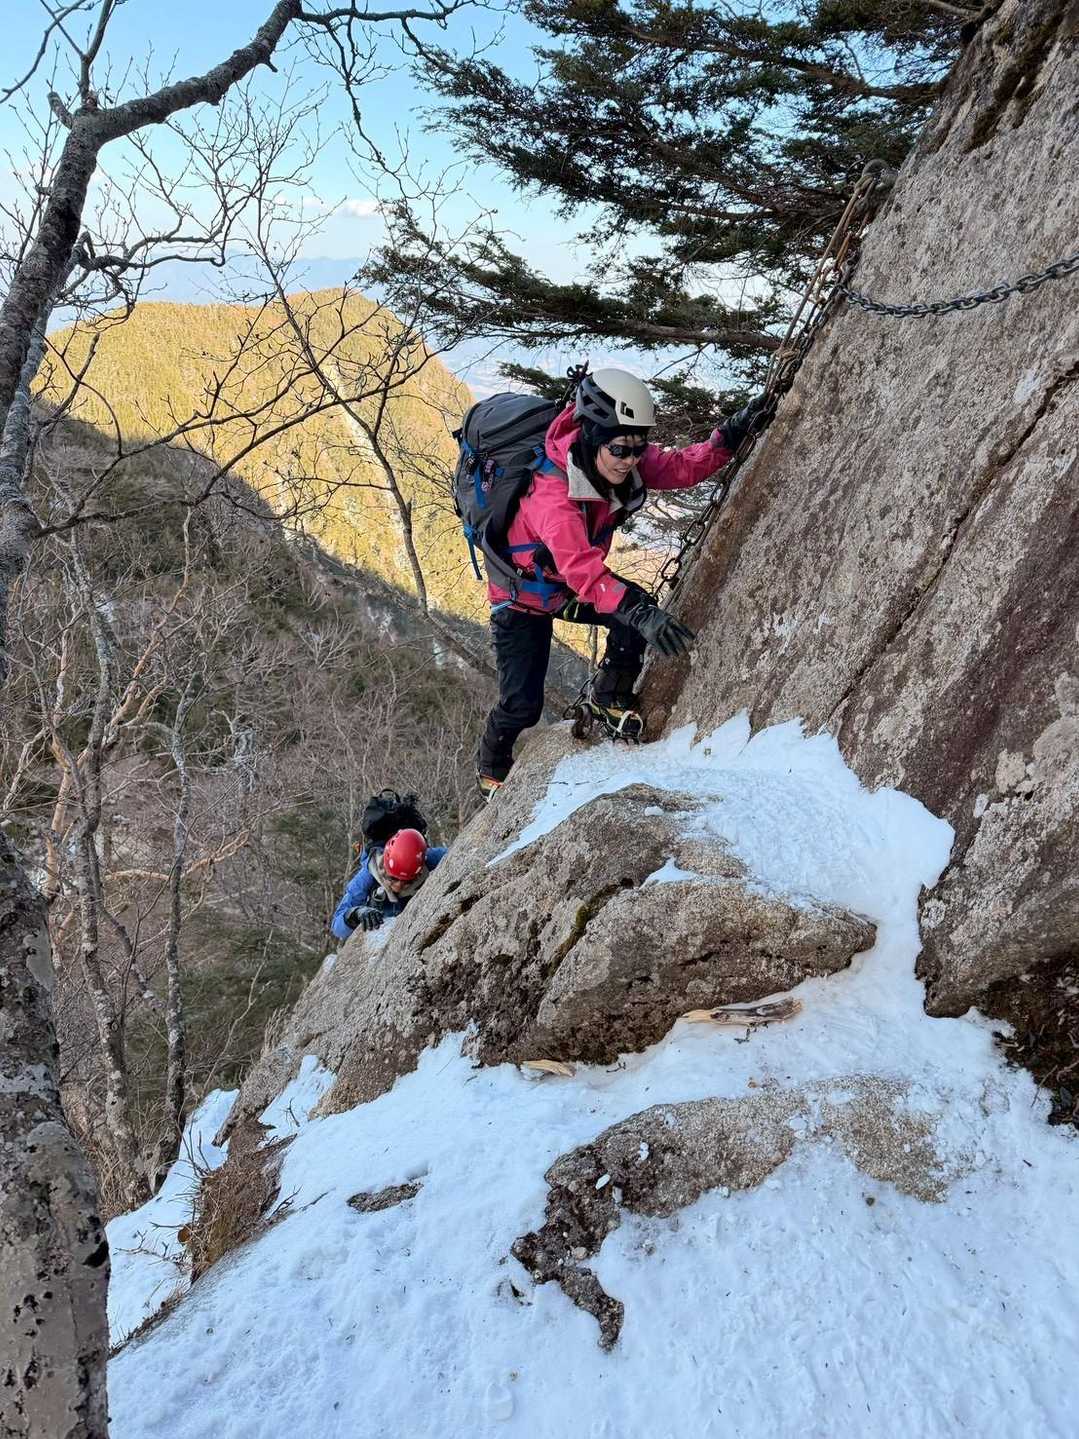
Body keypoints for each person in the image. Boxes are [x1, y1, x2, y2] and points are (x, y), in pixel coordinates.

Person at [475, 368, 766, 796]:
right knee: (522, 704)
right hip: (522, 598)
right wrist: (638, 611)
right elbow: (584, 572)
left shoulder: (618, 450)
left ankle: (609, 696)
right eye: (620, 450)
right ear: (593, 438)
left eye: (637, 448)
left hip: (564, 587)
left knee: (631, 611)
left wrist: (730, 435)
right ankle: (491, 766)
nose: (630, 460)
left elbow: (681, 468)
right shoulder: (552, 497)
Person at [330, 827, 447, 941]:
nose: (398, 886)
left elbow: (456, 853)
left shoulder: (427, 858)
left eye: (407, 881)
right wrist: (356, 913)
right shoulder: (369, 874)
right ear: (385, 865)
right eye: (393, 878)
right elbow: (337, 926)